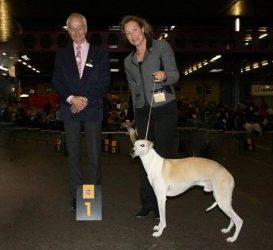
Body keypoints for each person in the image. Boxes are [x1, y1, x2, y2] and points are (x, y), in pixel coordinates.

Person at [120, 16, 179, 219]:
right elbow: (133, 90)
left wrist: (165, 76)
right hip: (144, 112)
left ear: (143, 28)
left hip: (165, 109)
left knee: (161, 158)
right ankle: (146, 203)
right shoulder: (128, 61)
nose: (132, 36)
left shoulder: (162, 47)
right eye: (128, 33)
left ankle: (159, 204)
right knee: (144, 159)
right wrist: (134, 119)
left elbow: (175, 74)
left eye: (135, 30)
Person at [52, 13, 111, 210]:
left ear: (86, 29)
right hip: (70, 109)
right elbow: (57, 81)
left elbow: (104, 82)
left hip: (92, 108)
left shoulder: (100, 54)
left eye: (80, 28)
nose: (76, 32)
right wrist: (71, 99)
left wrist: (84, 99)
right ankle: (77, 197)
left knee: (94, 156)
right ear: (68, 31)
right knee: (74, 155)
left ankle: (91, 199)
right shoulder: (61, 55)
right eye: (72, 28)